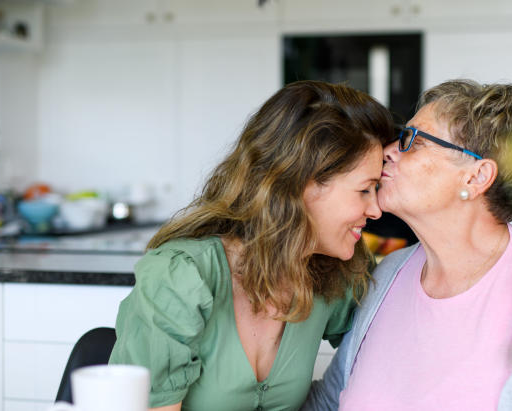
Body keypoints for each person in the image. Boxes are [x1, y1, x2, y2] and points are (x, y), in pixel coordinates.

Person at [303, 80, 512, 410]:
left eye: (411, 140)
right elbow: (328, 403)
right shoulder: (389, 276)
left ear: (477, 176)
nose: (388, 152)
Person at [109, 80, 394, 411]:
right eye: (364, 190)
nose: (375, 210)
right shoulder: (181, 279)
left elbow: (392, 363)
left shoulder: (338, 274)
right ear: (302, 185)